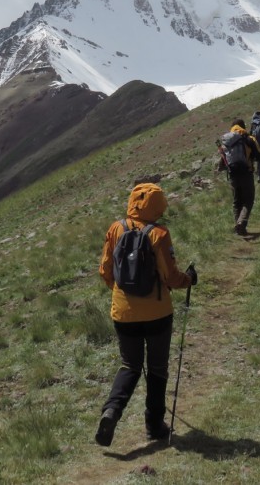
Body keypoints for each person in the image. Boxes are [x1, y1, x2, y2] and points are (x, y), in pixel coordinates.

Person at [96, 183, 197, 447]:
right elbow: (171, 277)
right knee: (157, 368)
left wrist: (121, 293)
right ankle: (154, 426)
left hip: (123, 313)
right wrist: (189, 280)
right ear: (158, 205)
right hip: (157, 314)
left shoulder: (115, 228)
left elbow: (105, 270)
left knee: (130, 365)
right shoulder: (159, 234)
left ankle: (112, 411)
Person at [220, 119, 260, 235]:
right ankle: (241, 223)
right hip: (246, 172)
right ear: (243, 127)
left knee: (236, 201)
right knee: (248, 199)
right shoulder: (249, 138)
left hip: (233, 174)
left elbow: (223, 161)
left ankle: (239, 228)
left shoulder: (227, 141)